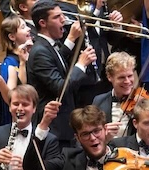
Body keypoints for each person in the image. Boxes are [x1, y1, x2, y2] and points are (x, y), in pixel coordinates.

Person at [27, 0, 97, 144]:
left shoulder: (49, 45)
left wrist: (72, 40)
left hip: (63, 123)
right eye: (57, 17)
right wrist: (81, 64)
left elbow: (57, 61)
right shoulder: (40, 51)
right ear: (42, 23)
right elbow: (60, 88)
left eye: (62, 15)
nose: (63, 20)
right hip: (54, 127)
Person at [93, 51, 137, 140]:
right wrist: (104, 137)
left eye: (130, 76)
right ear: (109, 77)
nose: (127, 81)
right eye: (121, 77)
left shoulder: (142, 101)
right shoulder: (98, 101)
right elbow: (92, 134)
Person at [0, 14, 32, 91]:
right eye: (23, 27)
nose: (29, 29)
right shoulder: (9, 62)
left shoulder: (33, 50)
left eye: (27, 26)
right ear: (12, 37)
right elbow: (17, 92)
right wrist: (22, 63)